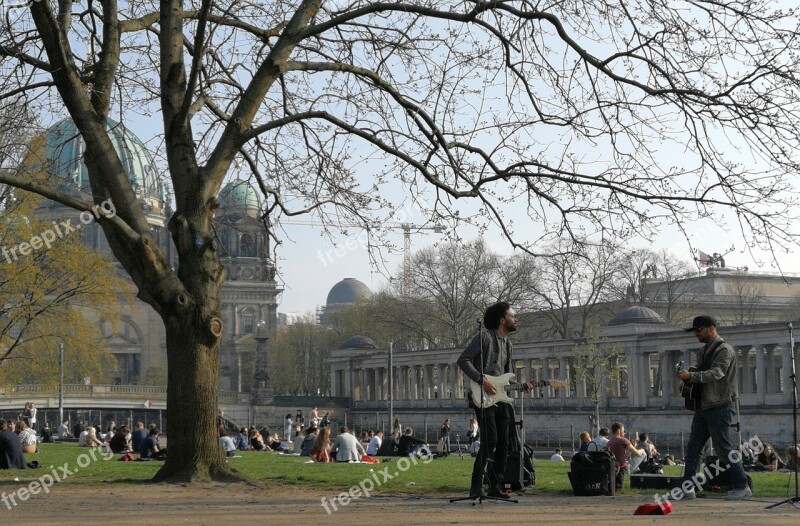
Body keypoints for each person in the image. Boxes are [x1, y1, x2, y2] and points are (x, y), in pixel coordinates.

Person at [457, 301, 531, 499]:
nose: (516, 319)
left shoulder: (509, 344)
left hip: (501, 397)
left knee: (505, 442)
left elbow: (506, 376)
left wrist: (521, 386)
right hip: (483, 396)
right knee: (490, 440)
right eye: (512, 316)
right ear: (502, 319)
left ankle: (495, 485)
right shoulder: (484, 337)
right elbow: (463, 360)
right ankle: (476, 484)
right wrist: (482, 380)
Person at [674, 315, 751, 501]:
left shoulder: (725, 350)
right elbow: (699, 375)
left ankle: (742, 485)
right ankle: (688, 487)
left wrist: (690, 377)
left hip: (720, 405)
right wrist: (687, 384)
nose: (697, 334)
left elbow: (717, 373)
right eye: (695, 331)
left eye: (699, 330)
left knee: (723, 447)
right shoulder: (704, 351)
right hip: (703, 405)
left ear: (711, 328)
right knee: (694, 448)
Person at [607, 422, 645, 490]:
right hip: (622, 469)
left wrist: (633, 446)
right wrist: (642, 449)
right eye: (623, 431)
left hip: (613, 469)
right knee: (644, 454)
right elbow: (638, 454)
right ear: (619, 430)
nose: (624, 432)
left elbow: (623, 456)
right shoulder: (623, 440)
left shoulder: (609, 442)